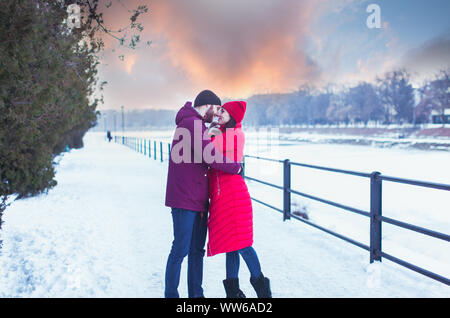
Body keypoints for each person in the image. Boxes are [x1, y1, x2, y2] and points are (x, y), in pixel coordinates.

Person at [164, 90, 242, 298]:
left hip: (197, 199)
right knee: (180, 249)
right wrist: (236, 167)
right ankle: (171, 294)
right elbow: (209, 156)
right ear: (207, 105)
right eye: (216, 109)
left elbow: (204, 150)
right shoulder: (191, 123)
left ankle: (196, 296)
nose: (217, 114)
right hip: (184, 199)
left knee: (196, 252)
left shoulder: (197, 125)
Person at [207, 101, 272, 298]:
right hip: (222, 196)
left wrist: (211, 129)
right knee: (230, 244)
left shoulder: (235, 135)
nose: (220, 114)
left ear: (233, 116)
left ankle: (261, 287)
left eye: (223, 112)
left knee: (242, 244)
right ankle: (233, 293)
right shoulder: (224, 132)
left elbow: (208, 148)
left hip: (234, 196)